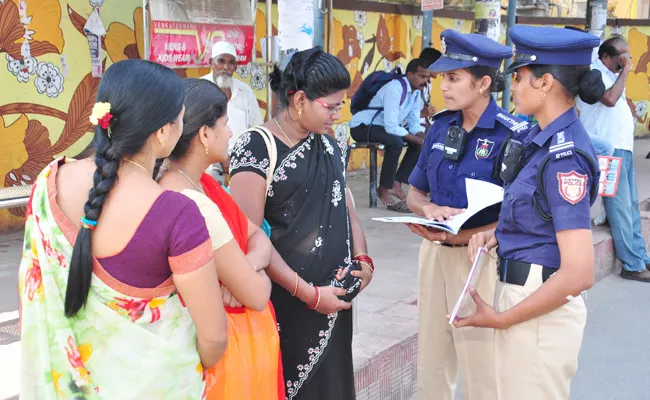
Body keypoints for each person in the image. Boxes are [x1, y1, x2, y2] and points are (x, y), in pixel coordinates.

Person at [18, 59, 228, 398]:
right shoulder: (176, 213)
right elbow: (214, 338)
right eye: (180, 117)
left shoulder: (48, 184)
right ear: (162, 133)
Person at [455, 26, 606, 400]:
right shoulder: (539, 141)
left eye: (520, 77)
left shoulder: (563, 158)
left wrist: (503, 319)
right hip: (524, 298)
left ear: (545, 83)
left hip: (537, 307)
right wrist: (498, 235)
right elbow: (538, 219)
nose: (514, 87)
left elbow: (579, 271)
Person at [228, 47, 373, 400]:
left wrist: (363, 260)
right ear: (299, 100)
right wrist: (309, 295)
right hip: (287, 302)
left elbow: (347, 210)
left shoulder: (330, 144)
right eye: (331, 106)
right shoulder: (258, 146)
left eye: (341, 105)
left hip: (335, 299)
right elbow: (248, 240)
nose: (338, 116)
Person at [406, 30, 526, 400]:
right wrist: (426, 210)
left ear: (484, 82)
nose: (443, 86)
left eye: (453, 78)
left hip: (480, 259)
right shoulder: (442, 125)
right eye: (443, 77)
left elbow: (517, 213)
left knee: (480, 364)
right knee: (432, 358)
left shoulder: (513, 135)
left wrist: (460, 236)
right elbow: (414, 192)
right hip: (434, 255)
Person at [158, 78, 284, 399]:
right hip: (216, 359)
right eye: (225, 124)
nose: (230, 133)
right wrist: (253, 275)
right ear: (204, 134)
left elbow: (259, 238)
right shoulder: (191, 199)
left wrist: (242, 268)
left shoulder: (201, 184)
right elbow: (257, 295)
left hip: (236, 349)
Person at [576, 36, 650, 281]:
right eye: (621, 55)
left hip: (623, 148)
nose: (625, 59)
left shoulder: (613, 76)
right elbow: (608, 100)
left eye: (627, 54)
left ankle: (641, 258)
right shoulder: (595, 74)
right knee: (619, 208)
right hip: (609, 149)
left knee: (630, 207)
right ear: (607, 56)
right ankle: (631, 265)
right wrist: (627, 70)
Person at [349, 58, 430, 212]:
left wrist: (421, 136)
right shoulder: (395, 88)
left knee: (416, 145)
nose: (425, 81)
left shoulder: (415, 93)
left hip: (381, 128)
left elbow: (413, 123)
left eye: (427, 78)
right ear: (411, 74)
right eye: (422, 76)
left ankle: (397, 182)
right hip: (362, 127)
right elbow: (391, 126)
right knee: (396, 142)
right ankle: (384, 188)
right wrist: (417, 139)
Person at [202, 41, 263, 178]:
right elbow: (199, 130)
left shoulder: (245, 91)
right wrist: (222, 158)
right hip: (209, 160)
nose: (225, 67)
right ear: (211, 62)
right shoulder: (201, 89)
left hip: (242, 159)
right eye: (221, 61)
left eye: (231, 63)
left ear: (235, 66)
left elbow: (256, 128)